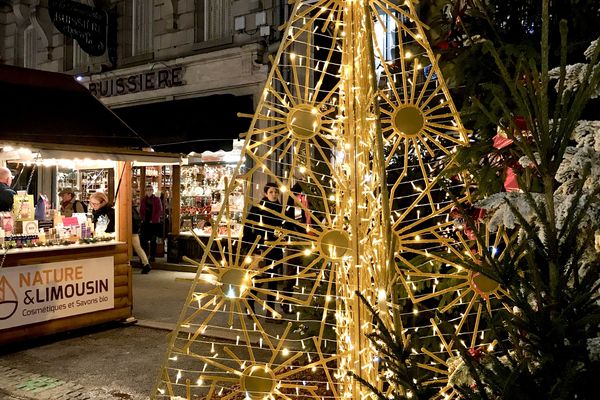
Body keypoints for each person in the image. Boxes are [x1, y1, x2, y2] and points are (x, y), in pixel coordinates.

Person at [243, 182, 285, 320]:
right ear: (266, 193)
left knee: (273, 280)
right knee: (258, 279)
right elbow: (247, 226)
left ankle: (270, 310)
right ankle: (250, 306)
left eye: (276, 192)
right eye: (271, 192)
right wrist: (252, 245)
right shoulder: (258, 208)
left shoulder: (280, 209)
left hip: (275, 248)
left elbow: (285, 226)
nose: (274, 195)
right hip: (260, 249)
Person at [140, 185, 163, 262]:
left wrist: (153, 220)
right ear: (145, 191)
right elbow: (141, 211)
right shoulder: (143, 200)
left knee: (153, 240)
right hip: (145, 222)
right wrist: (143, 219)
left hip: (154, 223)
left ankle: (152, 256)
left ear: (152, 191)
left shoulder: (157, 199)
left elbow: (159, 210)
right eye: (147, 190)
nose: (149, 191)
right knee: (144, 240)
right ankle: (144, 256)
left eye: (150, 190)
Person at [132, 199, 151, 274]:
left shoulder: (126, 209)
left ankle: (126, 264)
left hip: (128, 230)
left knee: (128, 247)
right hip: (135, 231)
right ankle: (146, 263)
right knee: (138, 247)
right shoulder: (134, 209)